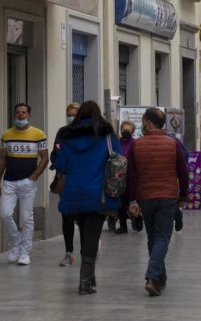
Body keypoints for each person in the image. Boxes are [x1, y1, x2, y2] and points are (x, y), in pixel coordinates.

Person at [54, 100, 122, 295]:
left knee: (85, 232)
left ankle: (89, 279)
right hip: (97, 192)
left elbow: (61, 165)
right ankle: (85, 281)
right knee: (92, 234)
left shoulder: (67, 136)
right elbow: (118, 157)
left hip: (73, 192)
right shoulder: (106, 134)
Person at [126, 108, 188, 297]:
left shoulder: (136, 145)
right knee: (162, 239)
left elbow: (131, 176)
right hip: (167, 197)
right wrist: (183, 195)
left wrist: (131, 200)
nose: (142, 124)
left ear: (148, 123)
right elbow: (183, 172)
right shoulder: (173, 144)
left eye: (143, 121)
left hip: (145, 197)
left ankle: (160, 279)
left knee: (153, 238)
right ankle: (152, 277)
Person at [0, 103, 48, 266]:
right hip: (9, 182)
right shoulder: (7, 135)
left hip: (27, 183)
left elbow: (44, 158)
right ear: (14, 115)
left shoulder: (38, 134)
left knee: (26, 218)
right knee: (5, 213)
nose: (20, 115)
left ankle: (25, 252)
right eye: (17, 112)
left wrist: (33, 177)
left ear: (29, 115)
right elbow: (2, 159)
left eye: (24, 112)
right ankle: (16, 243)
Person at [50, 103, 81, 267]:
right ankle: (69, 252)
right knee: (67, 216)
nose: (71, 117)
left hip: (83, 180)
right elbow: (54, 154)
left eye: (75, 114)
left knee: (83, 216)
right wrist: (59, 165)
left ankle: (91, 244)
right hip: (66, 180)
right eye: (69, 114)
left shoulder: (89, 133)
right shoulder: (62, 132)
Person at [107, 120, 136, 234]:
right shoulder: (117, 142)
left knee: (132, 200)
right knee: (121, 202)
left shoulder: (135, 143)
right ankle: (123, 225)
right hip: (118, 177)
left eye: (128, 130)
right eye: (124, 130)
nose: (125, 132)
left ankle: (136, 218)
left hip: (131, 177)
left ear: (132, 131)